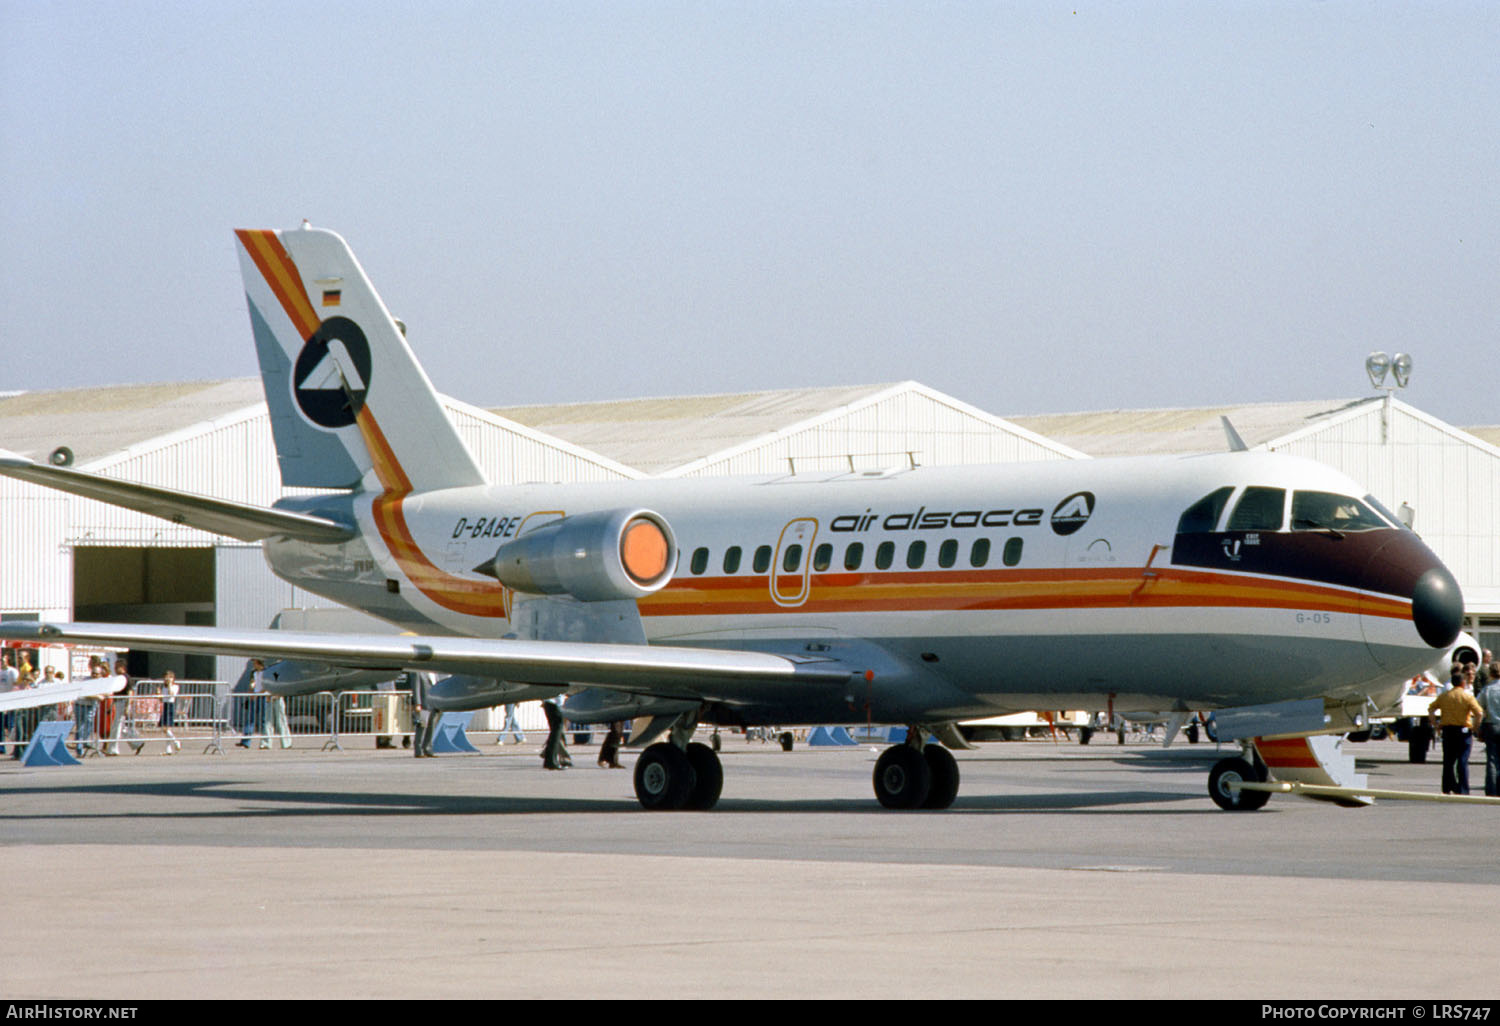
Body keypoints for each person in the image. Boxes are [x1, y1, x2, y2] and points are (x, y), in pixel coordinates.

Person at [1428, 664, 1483, 795]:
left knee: (1448, 761)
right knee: (1462, 761)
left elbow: (1431, 709)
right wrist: (1475, 728)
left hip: (1448, 731)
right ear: (1463, 683)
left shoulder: (1444, 696)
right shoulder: (1467, 696)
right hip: (1463, 731)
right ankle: (1463, 789)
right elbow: (1479, 713)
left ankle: (1447, 787)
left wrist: (1435, 724)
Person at [1477, 661, 1500, 798]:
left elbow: (1478, 705)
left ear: (1490, 673)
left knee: (1491, 759)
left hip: (1491, 725)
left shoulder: (1487, 689)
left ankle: (1491, 790)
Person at [540, 693, 569, 770]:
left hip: (549, 703)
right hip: (554, 705)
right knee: (556, 733)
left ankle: (549, 758)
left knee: (554, 732)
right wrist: (561, 706)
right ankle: (551, 760)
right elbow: (559, 695)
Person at [158, 670, 181, 754]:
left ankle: (176, 741)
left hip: (170, 705)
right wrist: (159, 694)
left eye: (169, 677)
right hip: (165, 705)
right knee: (165, 729)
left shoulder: (175, 686)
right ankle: (168, 749)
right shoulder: (163, 687)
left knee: (167, 728)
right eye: (166, 678)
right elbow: (161, 699)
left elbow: (171, 694)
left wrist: (170, 684)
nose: (167, 679)